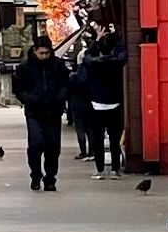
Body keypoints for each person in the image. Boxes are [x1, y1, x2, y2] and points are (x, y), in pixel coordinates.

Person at [11, 31, 72, 192]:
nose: (44, 56)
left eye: (47, 53)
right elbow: (18, 88)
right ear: (35, 51)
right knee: (35, 144)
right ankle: (36, 175)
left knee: (53, 147)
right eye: (41, 53)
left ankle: (50, 178)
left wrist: (60, 97)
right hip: (34, 112)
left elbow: (66, 84)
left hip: (54, 111)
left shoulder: (58, 66)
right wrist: (28, 98)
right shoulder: (25, 68)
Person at [80, 36, 127, 175]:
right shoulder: (116, 63)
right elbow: (123, 54)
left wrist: (96, 40)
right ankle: (115, 169)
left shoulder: (93, 64)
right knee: (114, 139)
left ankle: (99, 170)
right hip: (115, 102)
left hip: (96, 104)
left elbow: (86, 56)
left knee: (97, 140)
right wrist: (115, 36)